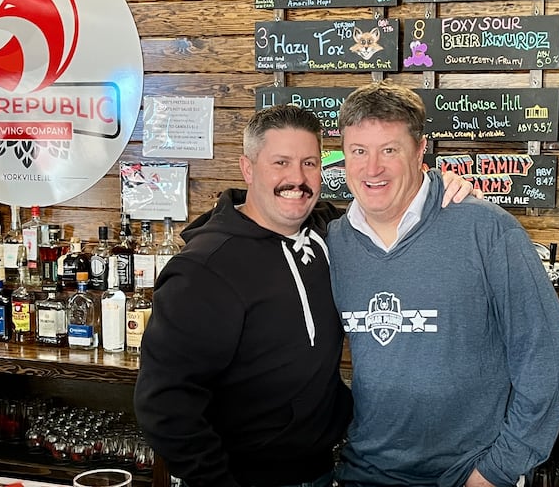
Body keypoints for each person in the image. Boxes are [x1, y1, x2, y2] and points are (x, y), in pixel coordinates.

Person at [133, 104, 474, 487]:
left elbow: (391, 203)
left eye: (309, 163)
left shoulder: (329, 230)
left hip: (327, 468)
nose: (297, 179)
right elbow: (164, 404)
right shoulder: (203, 269)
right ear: (248, 168)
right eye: (281, 162)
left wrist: (438, 188)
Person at [328, 83, 559, 487]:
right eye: (359, 151)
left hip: (466, 474)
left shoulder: (486, 228)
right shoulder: (335, 241)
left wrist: (497, 470)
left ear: (420, 148)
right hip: (365, 471)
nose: (371, 168)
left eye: (389, 150)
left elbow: (547, 358)